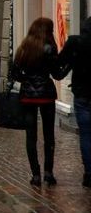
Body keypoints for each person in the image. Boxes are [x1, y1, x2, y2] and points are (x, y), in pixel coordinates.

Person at [13, 17, 68, 187]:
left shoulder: (24, 48)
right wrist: (69, 66)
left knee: (31, 136)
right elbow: (57, 74)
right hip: (46, 94)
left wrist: (27, 80)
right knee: (48, 135)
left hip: (28, 96)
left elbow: (15, 73)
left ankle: (35, 174)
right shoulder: (49, 48)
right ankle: (48, 172)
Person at [58, 17, 91, 187]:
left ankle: (89, 173)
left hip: (82, 95)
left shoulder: (75, 43)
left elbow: (59, 62)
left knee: (86, 135)